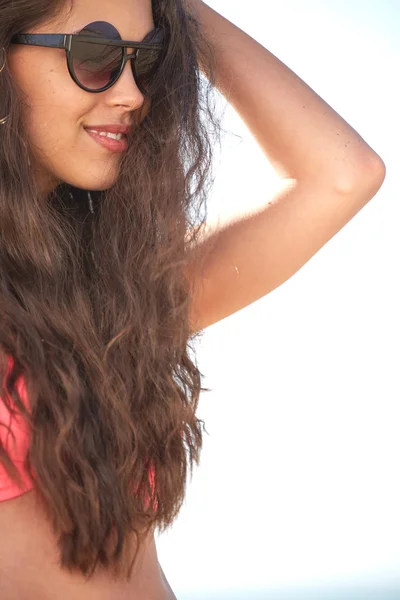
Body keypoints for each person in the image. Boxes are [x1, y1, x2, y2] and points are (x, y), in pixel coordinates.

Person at [0, 0, 386, 598]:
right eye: (97, 55)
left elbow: (342, 173)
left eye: (149, 60)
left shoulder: (121, 296)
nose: (132, 94)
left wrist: (177, 10)